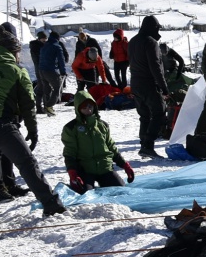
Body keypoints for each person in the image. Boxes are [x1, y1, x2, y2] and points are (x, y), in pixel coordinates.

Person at [0, 23, 68, 229]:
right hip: (0, 123)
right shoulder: (16, 71)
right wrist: (32, 130)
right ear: (14, 51)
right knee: (27, 163)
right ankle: (51, 204)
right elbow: (28, 104)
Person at [62, 91, 135, 192]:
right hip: (85, 170)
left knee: (120, 192)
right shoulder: (71, 128)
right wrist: (72, 173)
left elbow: (111, 146)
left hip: (104, 168)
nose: (88, 110)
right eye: (84, 107)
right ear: (78, 108)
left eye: (90, 106)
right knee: (85, 195)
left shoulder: (102, 125)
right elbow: (70, 152)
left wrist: (125, 165)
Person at [127, 15, 168, 159]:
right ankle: (148, 145)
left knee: (144, 115)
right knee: (159, 112)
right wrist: (164, 87)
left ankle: (143, 144)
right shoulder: (150, 42)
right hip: (149, 83)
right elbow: (155, 66)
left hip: (135, 82)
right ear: (154, 28)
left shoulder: (132, 41)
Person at [37, 30, 69, 113]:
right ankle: (48, 106)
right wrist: (63, 71)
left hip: (41, 70)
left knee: (47, 89)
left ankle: (47, 108)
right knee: (57, 88)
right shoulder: (57, 46)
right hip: (50, 70)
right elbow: (61, 60)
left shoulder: (44, 45)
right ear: (57, 38)